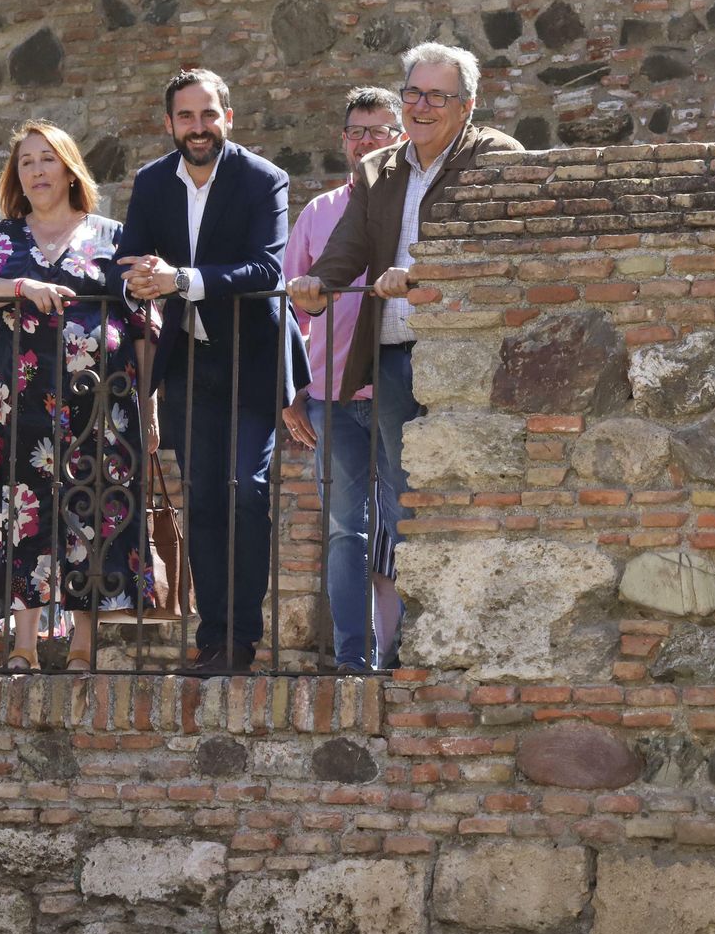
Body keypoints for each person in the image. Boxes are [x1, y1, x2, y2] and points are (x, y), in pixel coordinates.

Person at [287, 43, 525, 668]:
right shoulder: (380, 169)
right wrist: (317, 286)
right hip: (394, 358)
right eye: (413, 93)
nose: (422, 106)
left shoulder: (494, 156)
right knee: (406, 509)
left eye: (437, 96)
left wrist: (422, 270)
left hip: (465, 354)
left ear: (466, 105)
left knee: (446, 504)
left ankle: (437, 647)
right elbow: (348, 245)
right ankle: (401, 652)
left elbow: (497, 240)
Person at [0, 120, 157, 672]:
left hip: (104, 401)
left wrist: (149, 410)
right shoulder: (0, 237)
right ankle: (24, 644)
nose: (37, 170)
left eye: (47, 159)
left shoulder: (113, 236)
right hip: (21, 398)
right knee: (22, 509)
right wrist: (21, 286)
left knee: (95, 508)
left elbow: (142, 325)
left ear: (69, 170)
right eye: (26, 162)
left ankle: (84, 644)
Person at [115, 69, 289, 675]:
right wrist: (137, 281)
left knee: (247, 490)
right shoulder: (151, 181)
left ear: (228, 118)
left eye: (209, 115)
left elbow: (267, 269)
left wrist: (181, 280)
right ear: (169, 123)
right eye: (186, 117)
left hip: (251, 360)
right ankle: (214, 639)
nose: (198, 127)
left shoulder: (264, 178)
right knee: (205, 500)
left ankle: (243, 637)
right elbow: (125, 260)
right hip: (187, 362)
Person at [280, 86, 405, 673]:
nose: (366, 142)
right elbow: (288, 310)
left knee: (405, 524)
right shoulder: (318, 212)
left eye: (379, 131)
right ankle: (354, 659)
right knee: (342, 533)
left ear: (400, 137)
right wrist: (290, 392)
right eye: (357, 132)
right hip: (329, 396)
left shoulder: (412, 202)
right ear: (344, 140)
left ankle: (401, 654)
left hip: (398, 390)